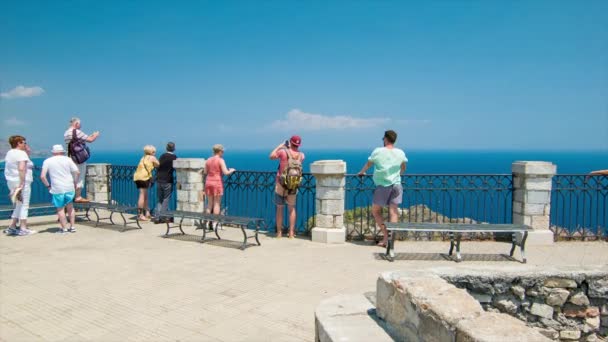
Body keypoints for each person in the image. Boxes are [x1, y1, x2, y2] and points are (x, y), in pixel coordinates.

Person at [357, 130, 408, 247]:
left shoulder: (378, 151)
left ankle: (386, 236)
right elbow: (403, 167)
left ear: (385, 139)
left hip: (383, 186)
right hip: (397, 185)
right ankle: (390, 240)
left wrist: (361, 172)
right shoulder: (400, 153)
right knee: (393, 212)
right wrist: (397, 174)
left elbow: (369, 164)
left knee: (376, 211)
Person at [269, 135, 305, 238]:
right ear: (298, 144)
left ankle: (279, 233)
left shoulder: (283, 152)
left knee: (280, 208)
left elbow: (271, 156)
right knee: (291, 209)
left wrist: (280, 146)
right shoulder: (301, 155)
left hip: (281, 184)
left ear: (290, 142)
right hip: (293, 185)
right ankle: (291, 233)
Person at [40, 145, 80, 233]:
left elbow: (42, 176)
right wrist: (75, 183)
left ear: (53, 152)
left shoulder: (48, 161)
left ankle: (64, 228)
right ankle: (72, 227)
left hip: (57, 188)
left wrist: (48, 186)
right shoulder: (68, 159)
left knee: (60, 209)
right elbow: (77, 172)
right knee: (70, 207)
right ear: (62, 152)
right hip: (69, 186)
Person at [3, 135, 36, 236]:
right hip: (21, 182)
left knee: (18, 204)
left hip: (11, 181)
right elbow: (22, 168)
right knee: (24, 204)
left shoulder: (9, 153)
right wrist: (22, 183)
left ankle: (12, 227)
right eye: (24, 142)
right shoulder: (21, 153)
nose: (25, 144)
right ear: (19, 143)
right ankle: (23, 228)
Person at [63, 117, 100, 203]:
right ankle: (78, 197)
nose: (81, 126)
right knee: (79, 177)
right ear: (76, 124)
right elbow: (90, 140)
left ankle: (68, 197)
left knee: (71, 177)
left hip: (69, 157)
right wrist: (96, 135)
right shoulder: (76, 132)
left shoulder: (66, 133)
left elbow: (83, 138)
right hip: (78, 158)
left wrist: (91, 135)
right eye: (79, 124)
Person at [204, 144, 235, 228]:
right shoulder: (220, 160)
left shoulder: (208, 160)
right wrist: (231, 170)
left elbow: (205, 172)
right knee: (217, 203)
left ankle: (207, 222)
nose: (223, 153)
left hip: (208, 182)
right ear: (220, 151)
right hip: (217, 182)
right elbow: (225, 172)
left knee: (209, 204)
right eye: (223, 151)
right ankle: (215, 223)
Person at [133, 145, 159, 221]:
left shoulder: (143, 157)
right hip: (144, 178)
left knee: (145, 195)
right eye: (154, 151)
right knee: (142, 195)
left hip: (137, 177)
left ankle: (147, 213)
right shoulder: (152, 157)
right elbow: (158, 164)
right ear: (151, 152)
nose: (155, 153)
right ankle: (140, 214)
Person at [154, 142, 177, 223]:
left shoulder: (162, 156)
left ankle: (157, 217)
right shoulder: (174, 157)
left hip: (159, 179)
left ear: (166, 148)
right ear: (174, 148)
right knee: (166, 199)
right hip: (167, 180)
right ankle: (162, 217)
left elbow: (158, 166)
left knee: (159, 199)